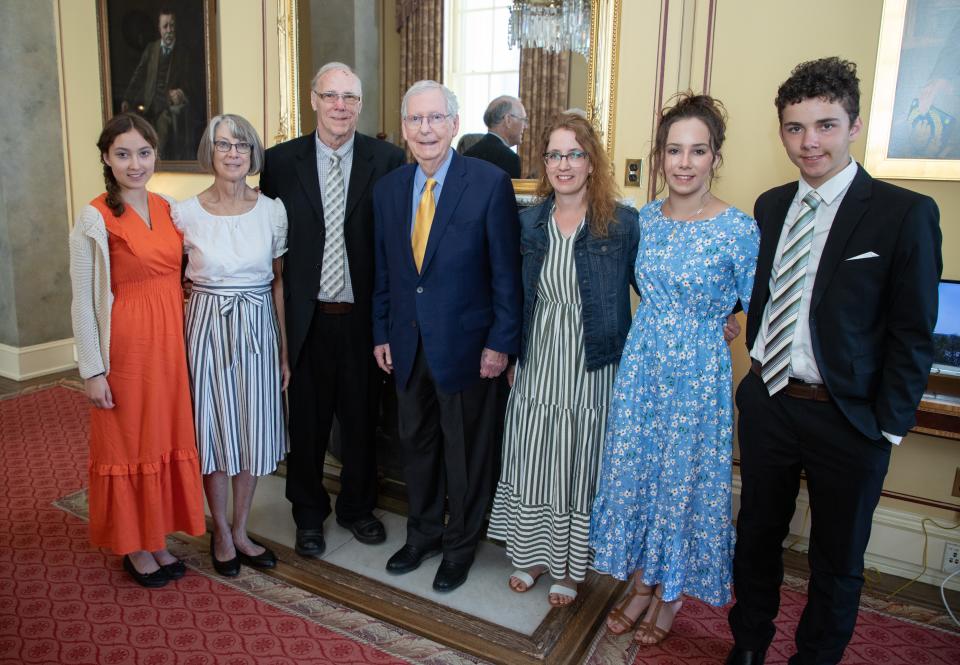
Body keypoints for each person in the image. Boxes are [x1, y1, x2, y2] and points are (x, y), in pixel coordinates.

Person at [725, 58, 942, 665]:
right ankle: (747, 648)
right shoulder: (769, 208)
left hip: (850, 418)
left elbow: (912, 332)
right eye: (795, 128)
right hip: (769, 403)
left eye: (825, 125)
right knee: (756, 541)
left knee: (836, 560)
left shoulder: (903, 214)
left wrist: (887, 427)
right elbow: (758, 294)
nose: (809, 141)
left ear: (854, 125)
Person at [589, 93, 759, 644]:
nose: (684, 162)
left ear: (715, 156)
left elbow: (758, 302)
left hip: (698, 376)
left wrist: (725, 319)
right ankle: (641, 581)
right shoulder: (643, 222)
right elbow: (637, 286)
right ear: (660, 156)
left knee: (683, 481)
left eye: (698, 150)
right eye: (674, 150)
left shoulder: (739, 228)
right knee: (641, 474)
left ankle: (670, 593)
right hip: (644, 366)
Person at [372, 80, 522, 593]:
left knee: (466, 456)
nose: (426, 129)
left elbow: (506, 273)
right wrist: (381, 333)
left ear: (455, 125)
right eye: (415, 120)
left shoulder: (487, 183)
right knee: (416, 447)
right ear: (405, 128)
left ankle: (459, 547)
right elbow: (387, 274)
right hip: (408, 347)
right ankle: (423, 534)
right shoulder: (390, 190)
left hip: (469, 350)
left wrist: (500, 343)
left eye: (436, 118)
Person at [487, 112, 639, 607]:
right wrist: (508, 352)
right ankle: (530, 555)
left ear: (592, 161)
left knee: (577, 461)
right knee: (533, 455)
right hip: (538, 352)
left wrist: (715, 316)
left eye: (575, 153)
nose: (564, 164)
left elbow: (655, 289)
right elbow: (509, 291)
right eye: (554, 154)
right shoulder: (528, 220)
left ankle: (570, 569)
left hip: (592, 359)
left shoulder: (621, 223)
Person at [259, 62, 404, 560]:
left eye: (350, 97)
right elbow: (270, 244)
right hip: (307, 320)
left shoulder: (387, 160)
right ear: (314, 101)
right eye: (331, 96)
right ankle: (307, 513)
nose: (341, 106)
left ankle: (358, 508)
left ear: (360, 106)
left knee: (363, 421)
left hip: (363, 320)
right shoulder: (280, 163)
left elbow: (395, 246)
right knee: (308, 423)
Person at [69, 112, 206, 587]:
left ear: (154, 156)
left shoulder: (170, 207)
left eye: (143, 153)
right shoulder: (94, 215)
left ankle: (157, 537)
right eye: (123, 154)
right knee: (129, 442)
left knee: (163, 438)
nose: (135, 163)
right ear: (107, 158)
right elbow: (83, 300)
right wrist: (92, 369)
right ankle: (133, 546)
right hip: (125, 348)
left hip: (169, 346)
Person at [173, 114, 289, 577]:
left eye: (242, 145)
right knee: (214, 430)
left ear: (253, 153)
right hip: (206, 326)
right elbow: (173, 284)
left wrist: (283, 351)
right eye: (224, 145)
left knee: (253, 429)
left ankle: (242, 529)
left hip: (259, 324)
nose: (234, 152)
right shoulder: (183, 214)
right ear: (210, 152)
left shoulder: (272, 210)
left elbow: (279, 284)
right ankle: (218, 530)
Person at [121, 9, 199, 160]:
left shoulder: (184, 53)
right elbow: (138, 75)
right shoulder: (152, 49)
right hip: (148, 105)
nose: (169, 30)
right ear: (159, 28)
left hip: (168, 107)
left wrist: (182, 94)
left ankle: (160, 163)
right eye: (165, 26)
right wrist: (127, 99)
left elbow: (193, 86)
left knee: (163, 129)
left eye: (172, 26)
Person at [464, 95, 526, 178]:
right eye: (523, 120)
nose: (525, 126)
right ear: (508, 120)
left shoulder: (467, 154)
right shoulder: (509, 159)